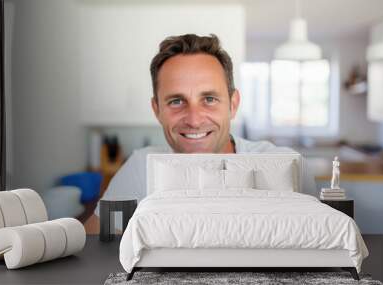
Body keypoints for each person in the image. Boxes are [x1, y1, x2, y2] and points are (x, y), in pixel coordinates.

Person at [90, 34, 313, 226]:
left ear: (233, 105)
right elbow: (93, 245)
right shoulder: (141, 168)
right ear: (157, 109)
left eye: (209, 99)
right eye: (176, 101)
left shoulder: (285, 166)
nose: (194, 120)